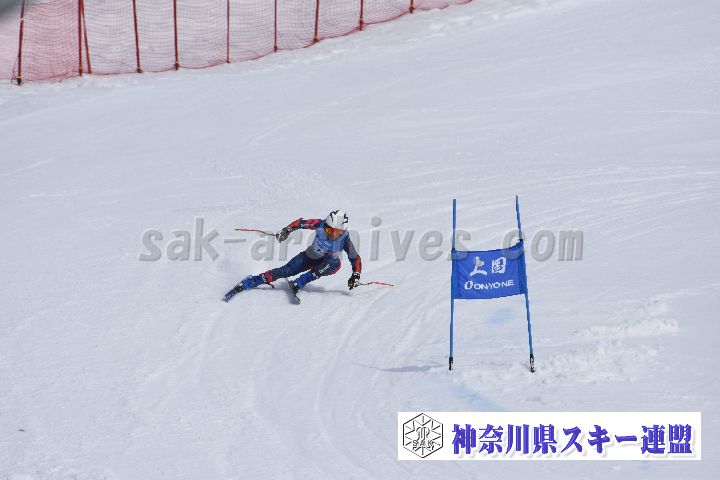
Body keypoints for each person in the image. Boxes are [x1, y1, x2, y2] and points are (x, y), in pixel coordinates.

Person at [223, 210, 362, 302]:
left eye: (337, 232)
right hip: (311, 255)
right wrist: (286, 230)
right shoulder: (320, 224)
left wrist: (356, 275)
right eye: (329, 229)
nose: (332, 234)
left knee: (331, 262)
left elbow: (355, 258)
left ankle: (299, 283)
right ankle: (251, 281)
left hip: (330, 264)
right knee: (285, 270)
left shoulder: (345, 239)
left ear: (343, 231)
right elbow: (301, 223)